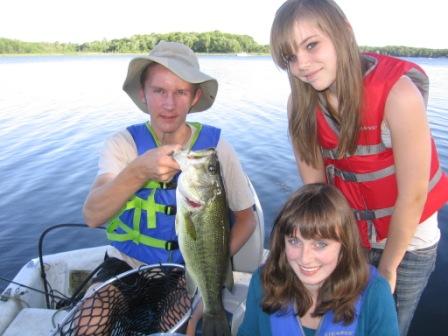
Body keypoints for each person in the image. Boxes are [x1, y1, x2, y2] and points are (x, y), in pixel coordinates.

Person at [269, 1, 448, 335]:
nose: (302, 65)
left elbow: (414, 195)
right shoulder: (300, 104)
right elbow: (316, 194)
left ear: (344, 33)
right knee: (344, 323)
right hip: (350, 233)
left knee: (388, 323)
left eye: (311, 45)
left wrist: (389, 268)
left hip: (409, 239)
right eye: (290, 57)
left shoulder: (399, 94)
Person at [82, 41, 256, 335]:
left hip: (184, 271)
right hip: (126, 265)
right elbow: (92, 215)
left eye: (180, 92)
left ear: (194, 96)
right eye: (159, 91)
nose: (169, 104)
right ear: (143, 93)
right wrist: (138, 171)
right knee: (89, 321)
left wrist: (213, 264)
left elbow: (246, 218)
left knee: (177, 326)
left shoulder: (216, 149)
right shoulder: (122, 144)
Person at [237, 183, 399, 336]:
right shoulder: (263, 282)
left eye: (320, 244)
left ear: (344, 246)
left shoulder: (375, 294)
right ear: (282, 242)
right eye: (294, 241)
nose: (305, 258)